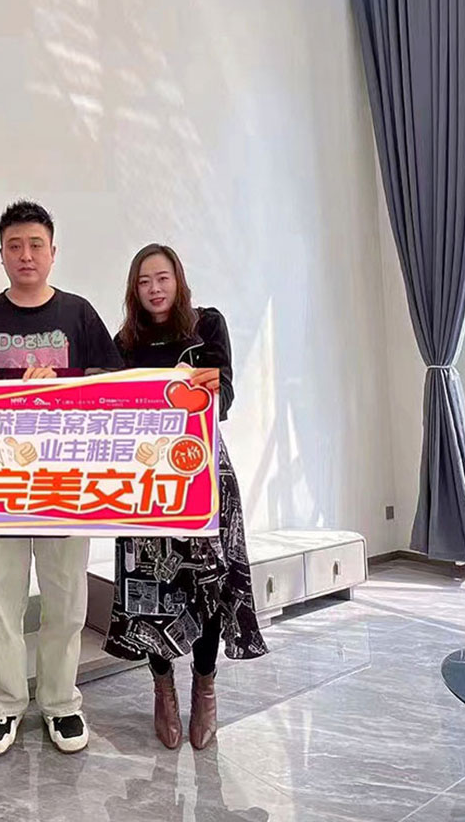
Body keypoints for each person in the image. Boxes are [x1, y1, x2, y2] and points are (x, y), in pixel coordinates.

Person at [0, 200, 123, 756]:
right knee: (2, 598)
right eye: (14, 246)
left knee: (65, 600)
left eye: (36, 245)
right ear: (0, 254)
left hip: (67, 483)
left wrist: (69, 381)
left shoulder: (80, 314)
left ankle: (61, 702)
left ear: (53, 252)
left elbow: (115, 386)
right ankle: (4, 705)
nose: (25, 255)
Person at [103, 244, 267, 750]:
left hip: (203, 471)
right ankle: (163, 690)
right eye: (144, 281)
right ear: (134, 290)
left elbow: (225, 400)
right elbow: (110, 408)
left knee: (207, 582)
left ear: (178, 281)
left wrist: (214, 386)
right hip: (146, 480)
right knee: (149, 586)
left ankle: (205, 686)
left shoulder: (206, 326)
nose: (154, 289)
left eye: (163, 278)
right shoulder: (123, 343)